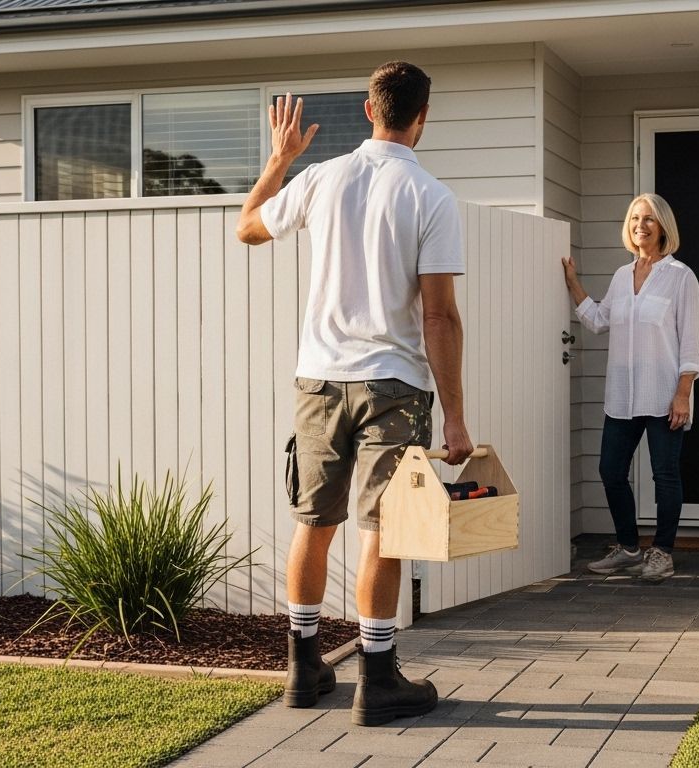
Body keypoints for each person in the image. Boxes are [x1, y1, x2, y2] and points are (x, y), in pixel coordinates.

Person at [235, 61, 473, 727]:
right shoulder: (430, 195)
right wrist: (455, 417)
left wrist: (279, 158)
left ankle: (303, 667)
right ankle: (375, 677)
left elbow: (247, 225)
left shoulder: (321, 177)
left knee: (314, 523)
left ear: (370, 111)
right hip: (392, 387)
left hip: (317, 381)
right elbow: (439, 317)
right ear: (421, 118)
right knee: (385, 530)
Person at [561, 193, 699, 582]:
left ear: (663, 227)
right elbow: (599, 320)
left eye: (649, 219)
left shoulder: (680, 277)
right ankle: (627, 548)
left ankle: (663, 552)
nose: (641, 225)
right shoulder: (622, 277)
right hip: (622, 396)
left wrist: (683, 392)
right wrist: (573, 283)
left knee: (665, 475)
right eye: (635, 218)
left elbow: (691, 341)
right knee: (610, 470)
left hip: (663, 394)